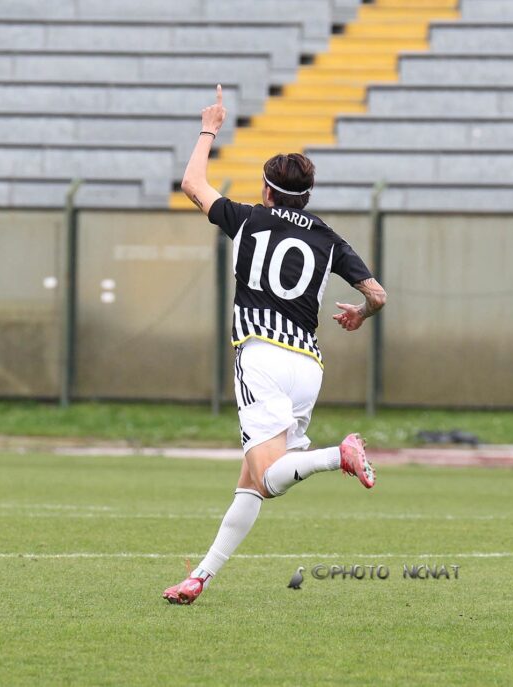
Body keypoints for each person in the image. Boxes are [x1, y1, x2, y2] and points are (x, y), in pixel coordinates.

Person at [163, 85, 387, 605]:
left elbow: (192, 183)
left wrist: (210, 128)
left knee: (269, 476)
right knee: (252, 482)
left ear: (267, 192)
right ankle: (200, 577)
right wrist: (360, 313)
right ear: (306, 196)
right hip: (307, 365)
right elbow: (377, 294)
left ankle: (337, 455)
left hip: (261, 353)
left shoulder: (247, 219)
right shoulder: (328, 238)